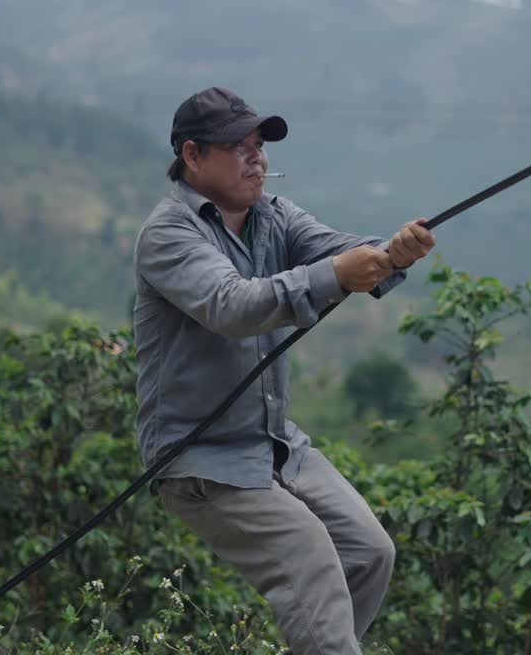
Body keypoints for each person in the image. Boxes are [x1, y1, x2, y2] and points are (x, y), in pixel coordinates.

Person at [132, 86, 435, 654]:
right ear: (193, 156)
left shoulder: (273, 214)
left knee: (370, 553)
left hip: (273, 445)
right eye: (238, 147)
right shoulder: (169, 232)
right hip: (201, 460)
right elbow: (232, 305)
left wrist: (390, 252)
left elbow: (337, 251)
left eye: (259, 146)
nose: (257, 159)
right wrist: (339, 273)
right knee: (313, 562)